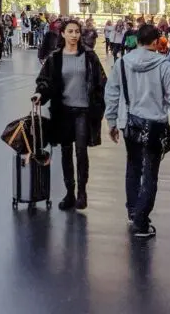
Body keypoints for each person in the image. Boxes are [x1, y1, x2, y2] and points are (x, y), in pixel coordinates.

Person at [104, 24, 170, 239]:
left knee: (132, 166)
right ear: (156, 42)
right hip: (155, 123)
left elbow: (112, 92)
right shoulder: (164, 65)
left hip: (129, 121)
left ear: (136, 40)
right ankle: (141, 220)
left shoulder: (122, 63)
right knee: (150, 172)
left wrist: (112, 121)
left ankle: (133, 211)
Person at [33, 19, 107, 210]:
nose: (74, 35)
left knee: (81, 151)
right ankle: (69, 193)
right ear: (63, 34)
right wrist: (40, 93)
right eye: (70, 31)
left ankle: (82, 192)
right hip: (63, 111)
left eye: (77, 32)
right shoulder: (55, 58)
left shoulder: (90, 57)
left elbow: (101, 81)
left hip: (83, 110)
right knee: (66, 153)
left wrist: (99, 106)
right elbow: (45, 80)